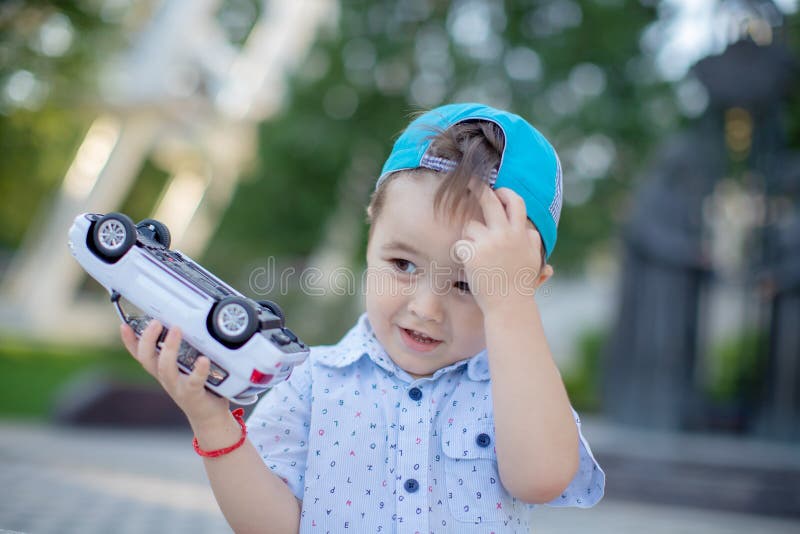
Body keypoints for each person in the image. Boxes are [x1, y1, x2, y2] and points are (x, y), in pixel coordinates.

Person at [121, 102, 605, 533]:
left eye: (468, 284)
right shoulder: (309, 383)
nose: (425, 308)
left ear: (529, 286)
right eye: (402, 264)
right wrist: (213, 423)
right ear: (372, 232)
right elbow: (273, 526)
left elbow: (541, 478)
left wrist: (509, 305)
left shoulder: (515, 393)